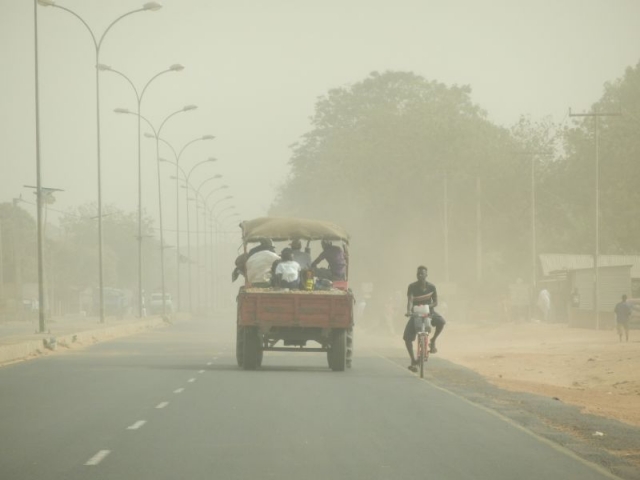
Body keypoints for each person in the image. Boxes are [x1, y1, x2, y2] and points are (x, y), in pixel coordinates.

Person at [403, 265, 446, 372]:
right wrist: (409, 311)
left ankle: (433, 340)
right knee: (407, 338)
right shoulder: (412, 287)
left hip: (429, 312)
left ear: (426, 275)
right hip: (416, 313)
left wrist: (428, 306)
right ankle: (413, 360)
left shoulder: (432, 287)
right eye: (418, 273)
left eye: (422, 273)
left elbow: (435, 302)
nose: (420, 275)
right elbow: (410, 301)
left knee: (441, 322)